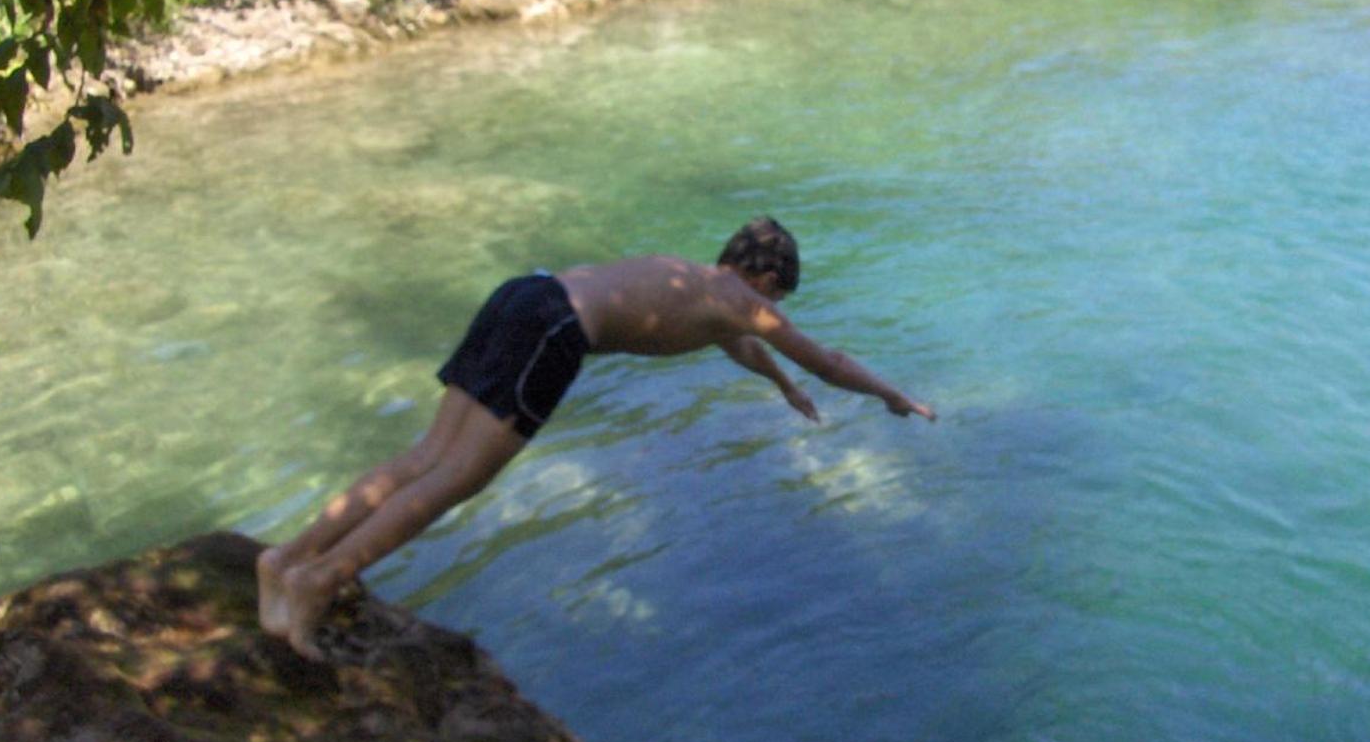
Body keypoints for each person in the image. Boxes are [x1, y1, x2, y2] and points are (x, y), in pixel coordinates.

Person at [256, 217, 937, 659]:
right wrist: (891, 395)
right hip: (556, 333)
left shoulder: (689, 278)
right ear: (765, 281)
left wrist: (781, 387)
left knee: (424, 457)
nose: (771, 314)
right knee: (453, 478)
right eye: (776, 302)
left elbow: (739, 345)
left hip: (524, 296)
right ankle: (321, 580)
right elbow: (831, 360)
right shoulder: (739, 300)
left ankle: (284, 561)